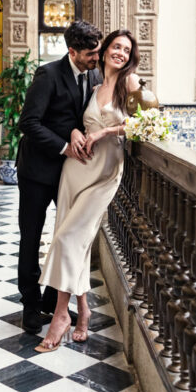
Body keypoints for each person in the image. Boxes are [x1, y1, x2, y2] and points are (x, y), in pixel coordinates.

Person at [34, 28, 140, 352]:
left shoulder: (131, 83)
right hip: (75, 171)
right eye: (116, 47)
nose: (120, 53)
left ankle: (60, 314)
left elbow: (147, 124)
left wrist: (106, 131)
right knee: (71, 239)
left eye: (126, 49)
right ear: (105, 49)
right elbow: (72, 118)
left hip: (106, 173)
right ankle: (84, 311)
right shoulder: (93, 85)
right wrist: (78, 130)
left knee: (69, 238)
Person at [17, 20, 103, 334]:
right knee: (31, 236)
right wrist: (65, 144)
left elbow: (75, 116)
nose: (97, 58)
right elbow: (29, 122)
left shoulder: (95, 74)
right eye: (92, 53)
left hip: (71, 174)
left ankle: (53, 301)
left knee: (66, 236)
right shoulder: (48, 74)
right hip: (37, 170)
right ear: (72, 52)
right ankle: (29, 304)